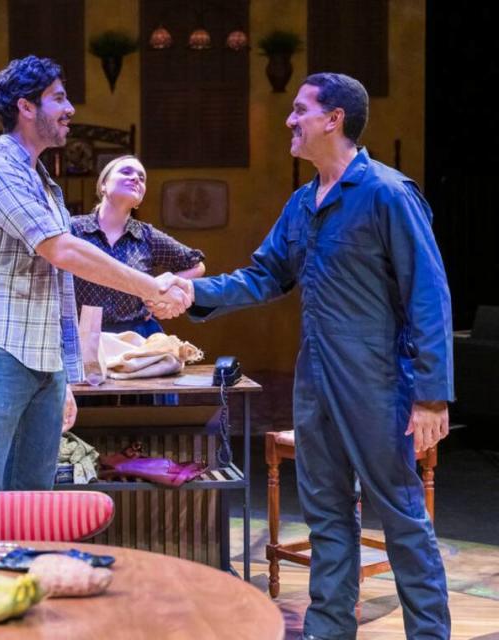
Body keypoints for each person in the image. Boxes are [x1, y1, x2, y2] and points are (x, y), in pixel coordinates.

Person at [182, 73, 452, 639]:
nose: (289, 120)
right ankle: (328, 631)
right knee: (328, 518)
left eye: (299, 110)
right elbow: (264, 276)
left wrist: (431, 396)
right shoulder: (304, 202)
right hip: (317, 384)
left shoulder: (386, 193)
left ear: (334, 119)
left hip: (377, 383)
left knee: (402, 517)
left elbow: (429, 295)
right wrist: (191, 293)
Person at [0, 55, 190, 534]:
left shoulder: (46, 185)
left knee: (32, 495)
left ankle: (16, 596)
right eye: (58, 97)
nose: (70, 108)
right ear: (25, 107)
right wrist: (149, 285)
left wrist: (64, 373)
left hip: (42, 360)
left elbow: (58, 287)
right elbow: (59, 251)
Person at [71, 154, 205, 337]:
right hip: (83, 336)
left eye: (141, 178)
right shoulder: (73, 229)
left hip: (137, 336)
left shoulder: (146, 235)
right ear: (103, 185)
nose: (135, 178)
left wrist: (158, 292)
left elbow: (196, 265)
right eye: (126, 172)